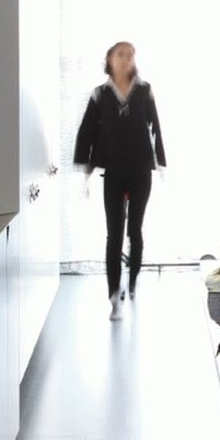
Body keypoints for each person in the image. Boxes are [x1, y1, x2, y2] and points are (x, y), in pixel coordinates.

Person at [73, 41, 166, 319]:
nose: (126, 60)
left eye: (130, 55)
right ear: (110, 60)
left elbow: (155, 127)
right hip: (112, 172)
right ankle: (114, 294)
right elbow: (87, 130)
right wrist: (85, 171)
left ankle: (133, 280)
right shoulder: (100, 94)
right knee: (114, 234)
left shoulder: (144, 91)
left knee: (134, 231)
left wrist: (161, 163)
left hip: (140, 172)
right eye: (120, 55)